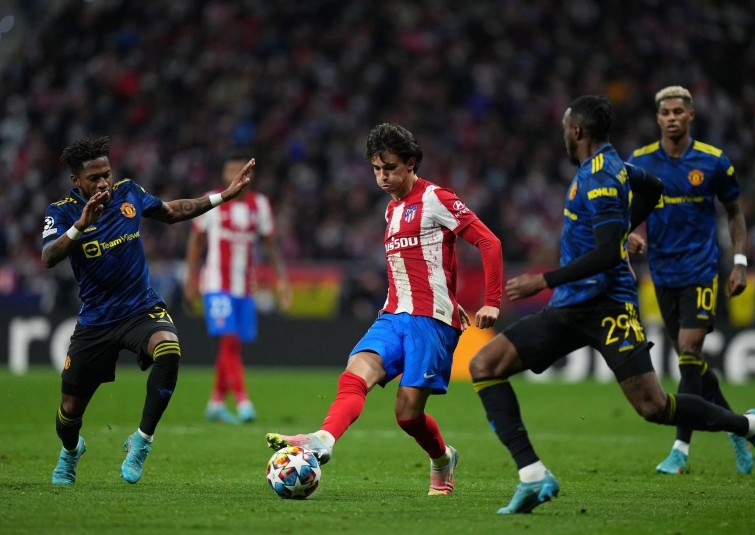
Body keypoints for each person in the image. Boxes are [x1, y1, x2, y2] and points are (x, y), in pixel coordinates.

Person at [468, 95, 755, 515]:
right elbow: (653, 189)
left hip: (609, 308)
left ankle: (751, 426)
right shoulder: (615, 166)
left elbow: (604, 255)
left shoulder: (599, 178)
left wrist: (541, 280)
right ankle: (532, 475)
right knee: (485, 366)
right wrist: (623, 231)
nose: (564, 136)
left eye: (566, 129)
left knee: (654, 407)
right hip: (570, 308)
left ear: (577, 132)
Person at [265, 123, 503, 495]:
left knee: (407, 416)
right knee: (356, 370)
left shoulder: (437, 199)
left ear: (410, 164)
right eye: (376, 169)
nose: (382, 177)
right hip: (392, 316)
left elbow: (489, 243)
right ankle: (323, 439)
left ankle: (442, 459)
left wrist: (492, 300)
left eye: (389, 168)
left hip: (433, 321)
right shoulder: (391, 211)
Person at [43, 136, 254, 485]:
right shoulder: (62, 211)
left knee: (169, 348)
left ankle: (141, 441)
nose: (103, 183)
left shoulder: (128, 193)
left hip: (140, 309)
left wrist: (224, 196)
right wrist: (80, 224)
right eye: (93, 178)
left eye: (106, 174)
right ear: (76, 181)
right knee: (69, 412)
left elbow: (172, 212)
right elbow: (49, 257)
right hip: (96, 320)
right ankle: (70, 452)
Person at [626, 85, 752, 475]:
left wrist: (740, 262)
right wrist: (630, 233)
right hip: (662, 273)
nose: (672, 118)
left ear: (691, 115)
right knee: (691, 360)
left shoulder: (713, 162)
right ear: (658, 118)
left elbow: (735, 211)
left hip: (701, 270)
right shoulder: (641, 162)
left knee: (687, 348)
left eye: (679, 111)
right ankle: (737, 425)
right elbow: (622, 208)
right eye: (666, 113)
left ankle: (680, 449)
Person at [184, 152, 292, 424]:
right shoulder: (212, 201)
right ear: (224, 175)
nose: (235, 176)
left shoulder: (261, 206)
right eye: (230, 171)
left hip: (245, 286)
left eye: (240, 171)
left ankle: (216, 402)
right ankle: (243, 402)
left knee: (232, 347)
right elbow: (196, 243)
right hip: (216, 284)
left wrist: (282, 281)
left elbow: (270, 246)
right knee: (229, 340)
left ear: (249, 175)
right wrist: (190, 280)